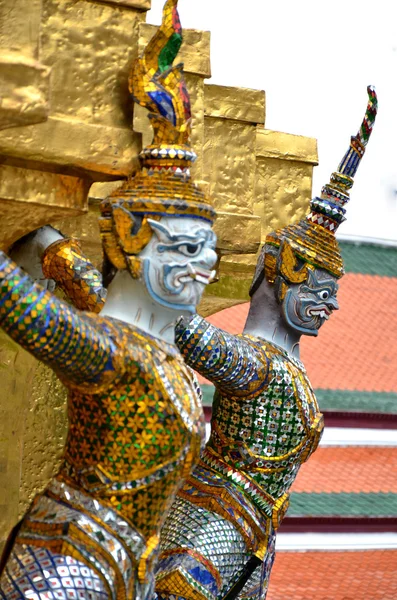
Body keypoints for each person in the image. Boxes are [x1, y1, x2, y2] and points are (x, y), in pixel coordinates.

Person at [0, 2, 217, 599]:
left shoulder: (145, 341)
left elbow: (92, 292)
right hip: (66, 564)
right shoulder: (113, 352)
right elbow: (29, 311)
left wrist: (52, 247)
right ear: (130, 244)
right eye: (186, 249)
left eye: (211, 250)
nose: (208, 266)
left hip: (126, 566)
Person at [155, 87, 378, 600]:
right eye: (321, 292)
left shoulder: (279, 362)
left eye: (335, 294)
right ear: (280, 278)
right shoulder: (254, 362)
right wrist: (165, 257)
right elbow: (184, 329)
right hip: (205, 533)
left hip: (253, 534)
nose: (332, 306)